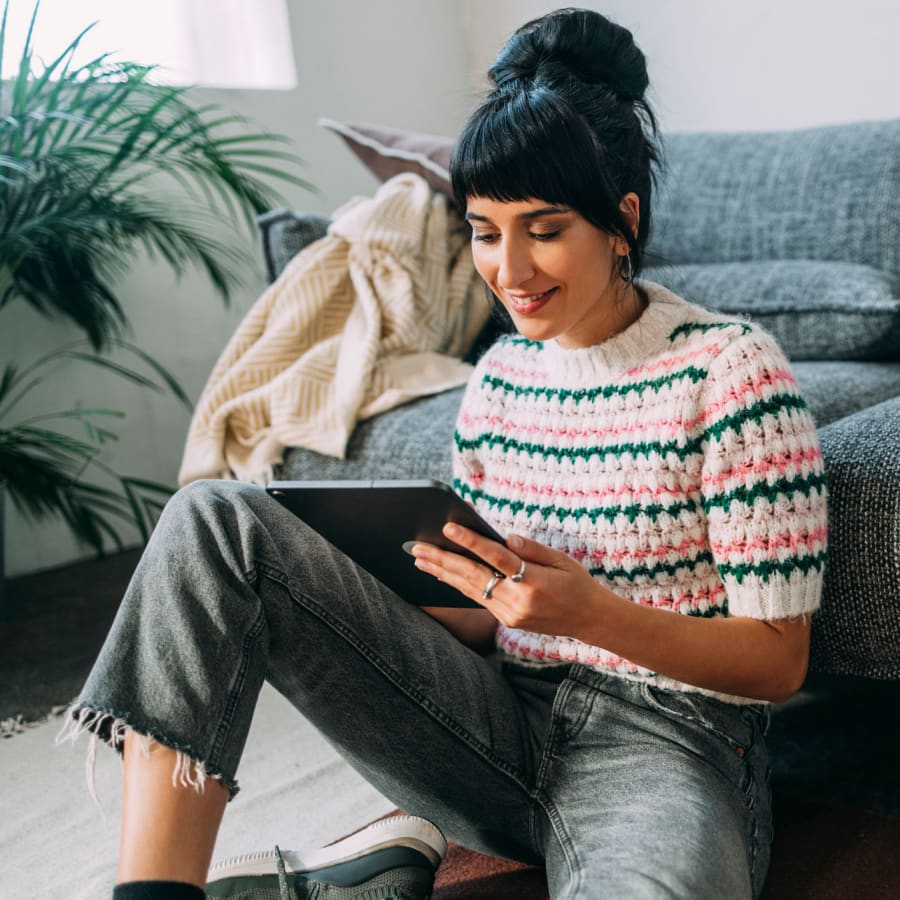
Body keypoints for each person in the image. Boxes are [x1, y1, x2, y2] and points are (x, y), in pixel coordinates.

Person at [60, 8, 828, 900]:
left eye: (543, 228)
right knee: (214, 520)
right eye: (484, 230)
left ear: (622, 220)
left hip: (671, 743)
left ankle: (363, 877)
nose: (508, 268)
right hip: (494, 727)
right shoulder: (498, 380)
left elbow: (779, 662)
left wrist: (588, 615)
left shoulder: (730, 370)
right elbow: (478, 623)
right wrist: (370, 591)